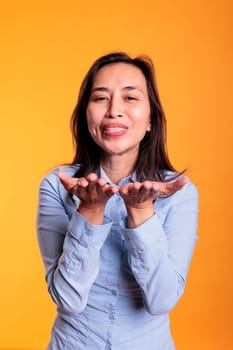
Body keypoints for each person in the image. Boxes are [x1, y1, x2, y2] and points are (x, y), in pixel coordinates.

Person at [36, 52, 199, 350]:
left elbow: (162, 300)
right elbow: (68, 299)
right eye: (101, 98)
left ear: (151, 120)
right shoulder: (57, 185)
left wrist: (141, 211)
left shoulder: (179, 193)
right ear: (86, 116)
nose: (114, 111)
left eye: (130, 98)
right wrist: (90, 211)